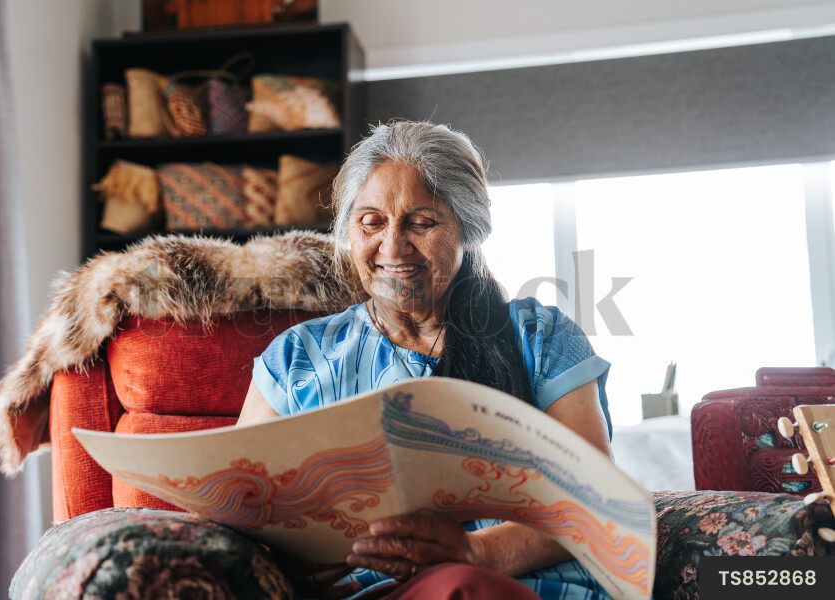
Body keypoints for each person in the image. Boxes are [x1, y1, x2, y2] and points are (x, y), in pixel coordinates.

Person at [238, 121, 614, 600]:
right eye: (370, 222)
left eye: (422, 222)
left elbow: (597, 500)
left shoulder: (540, 337)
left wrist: (476, 553)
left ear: (468, 229)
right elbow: (241, 505)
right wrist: (280, 565)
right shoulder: (294, 359)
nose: (393, 246)